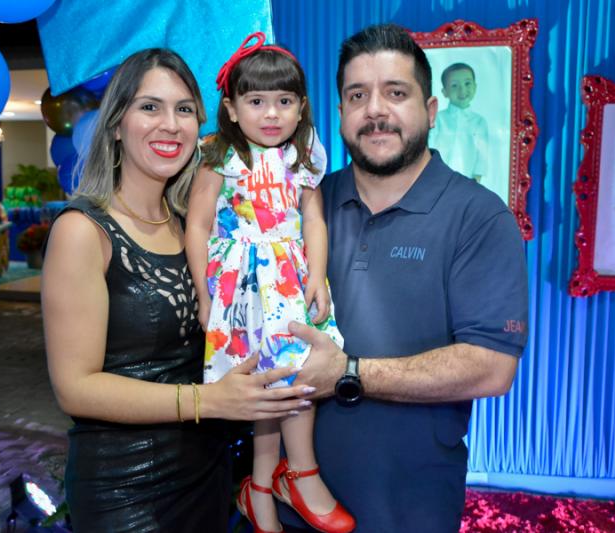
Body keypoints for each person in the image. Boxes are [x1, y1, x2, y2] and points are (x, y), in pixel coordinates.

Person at [41, 48, 315, 533]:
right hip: (126, 489)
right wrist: (209, 402)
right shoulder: (83, 230)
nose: (170, 124)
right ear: (116, 124)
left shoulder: (201, 228)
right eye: (150, 107)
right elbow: (75, 388)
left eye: (184, 109)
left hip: (210, 475)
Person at [282, 24, 529, 532]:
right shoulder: (302, 206)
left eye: (396, 93)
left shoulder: (479, 217)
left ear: (431, 110)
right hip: (289, 505)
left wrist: (349, 372)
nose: (375, 111)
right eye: (358, 96)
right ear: (340, 113)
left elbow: (491, 367)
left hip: (409, 509)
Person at [186, 33, 355, 533]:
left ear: (301, 107)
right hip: (240, 284)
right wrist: (204, 295)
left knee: (295, 370)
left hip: (286, 278)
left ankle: (285, 478)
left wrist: (317, 275)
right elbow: (197, 224)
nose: (271, 113)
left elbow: (314, 219)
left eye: (284, 101)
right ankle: (276, 482)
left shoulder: (302, 153)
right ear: (232, 108)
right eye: (256, 101)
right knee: (266, 381)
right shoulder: (219, 154)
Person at [428, 62, 489, 183]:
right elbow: (429, 147)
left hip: (467, 179)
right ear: (445, 92)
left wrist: (476, 180)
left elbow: (482, 156)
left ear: (475, 87)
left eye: (467, 83)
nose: (462, 90)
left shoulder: (479, 122)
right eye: (454, 85)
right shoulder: (438, 118)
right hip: (439, 177)